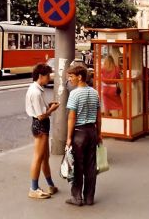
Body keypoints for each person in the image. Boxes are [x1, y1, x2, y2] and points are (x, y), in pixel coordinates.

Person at [65, 64, 102, 206]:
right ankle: (89, 197)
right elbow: (99, 117)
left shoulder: (74, 94)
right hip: (92, 132)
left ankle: (76, 197)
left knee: (77, 166)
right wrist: (99, 134)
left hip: (79, 133)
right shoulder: (95, 93)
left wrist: (69, 138)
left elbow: (71, 118)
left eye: (71, 76)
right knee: (91, 166)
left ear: (79, 77)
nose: (70, 79)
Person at [25, 63, 60, 199]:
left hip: (40, 125)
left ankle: (51, 185)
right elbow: (40, 115)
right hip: (40, 125)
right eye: (47, 76)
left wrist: (48, 106)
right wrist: (52, 110)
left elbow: (40, 110)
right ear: (41, 76)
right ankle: (33, 188)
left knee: (45, 157)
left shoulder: (36, 89)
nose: (49, 79)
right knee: (38, 158)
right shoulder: (36, 92)